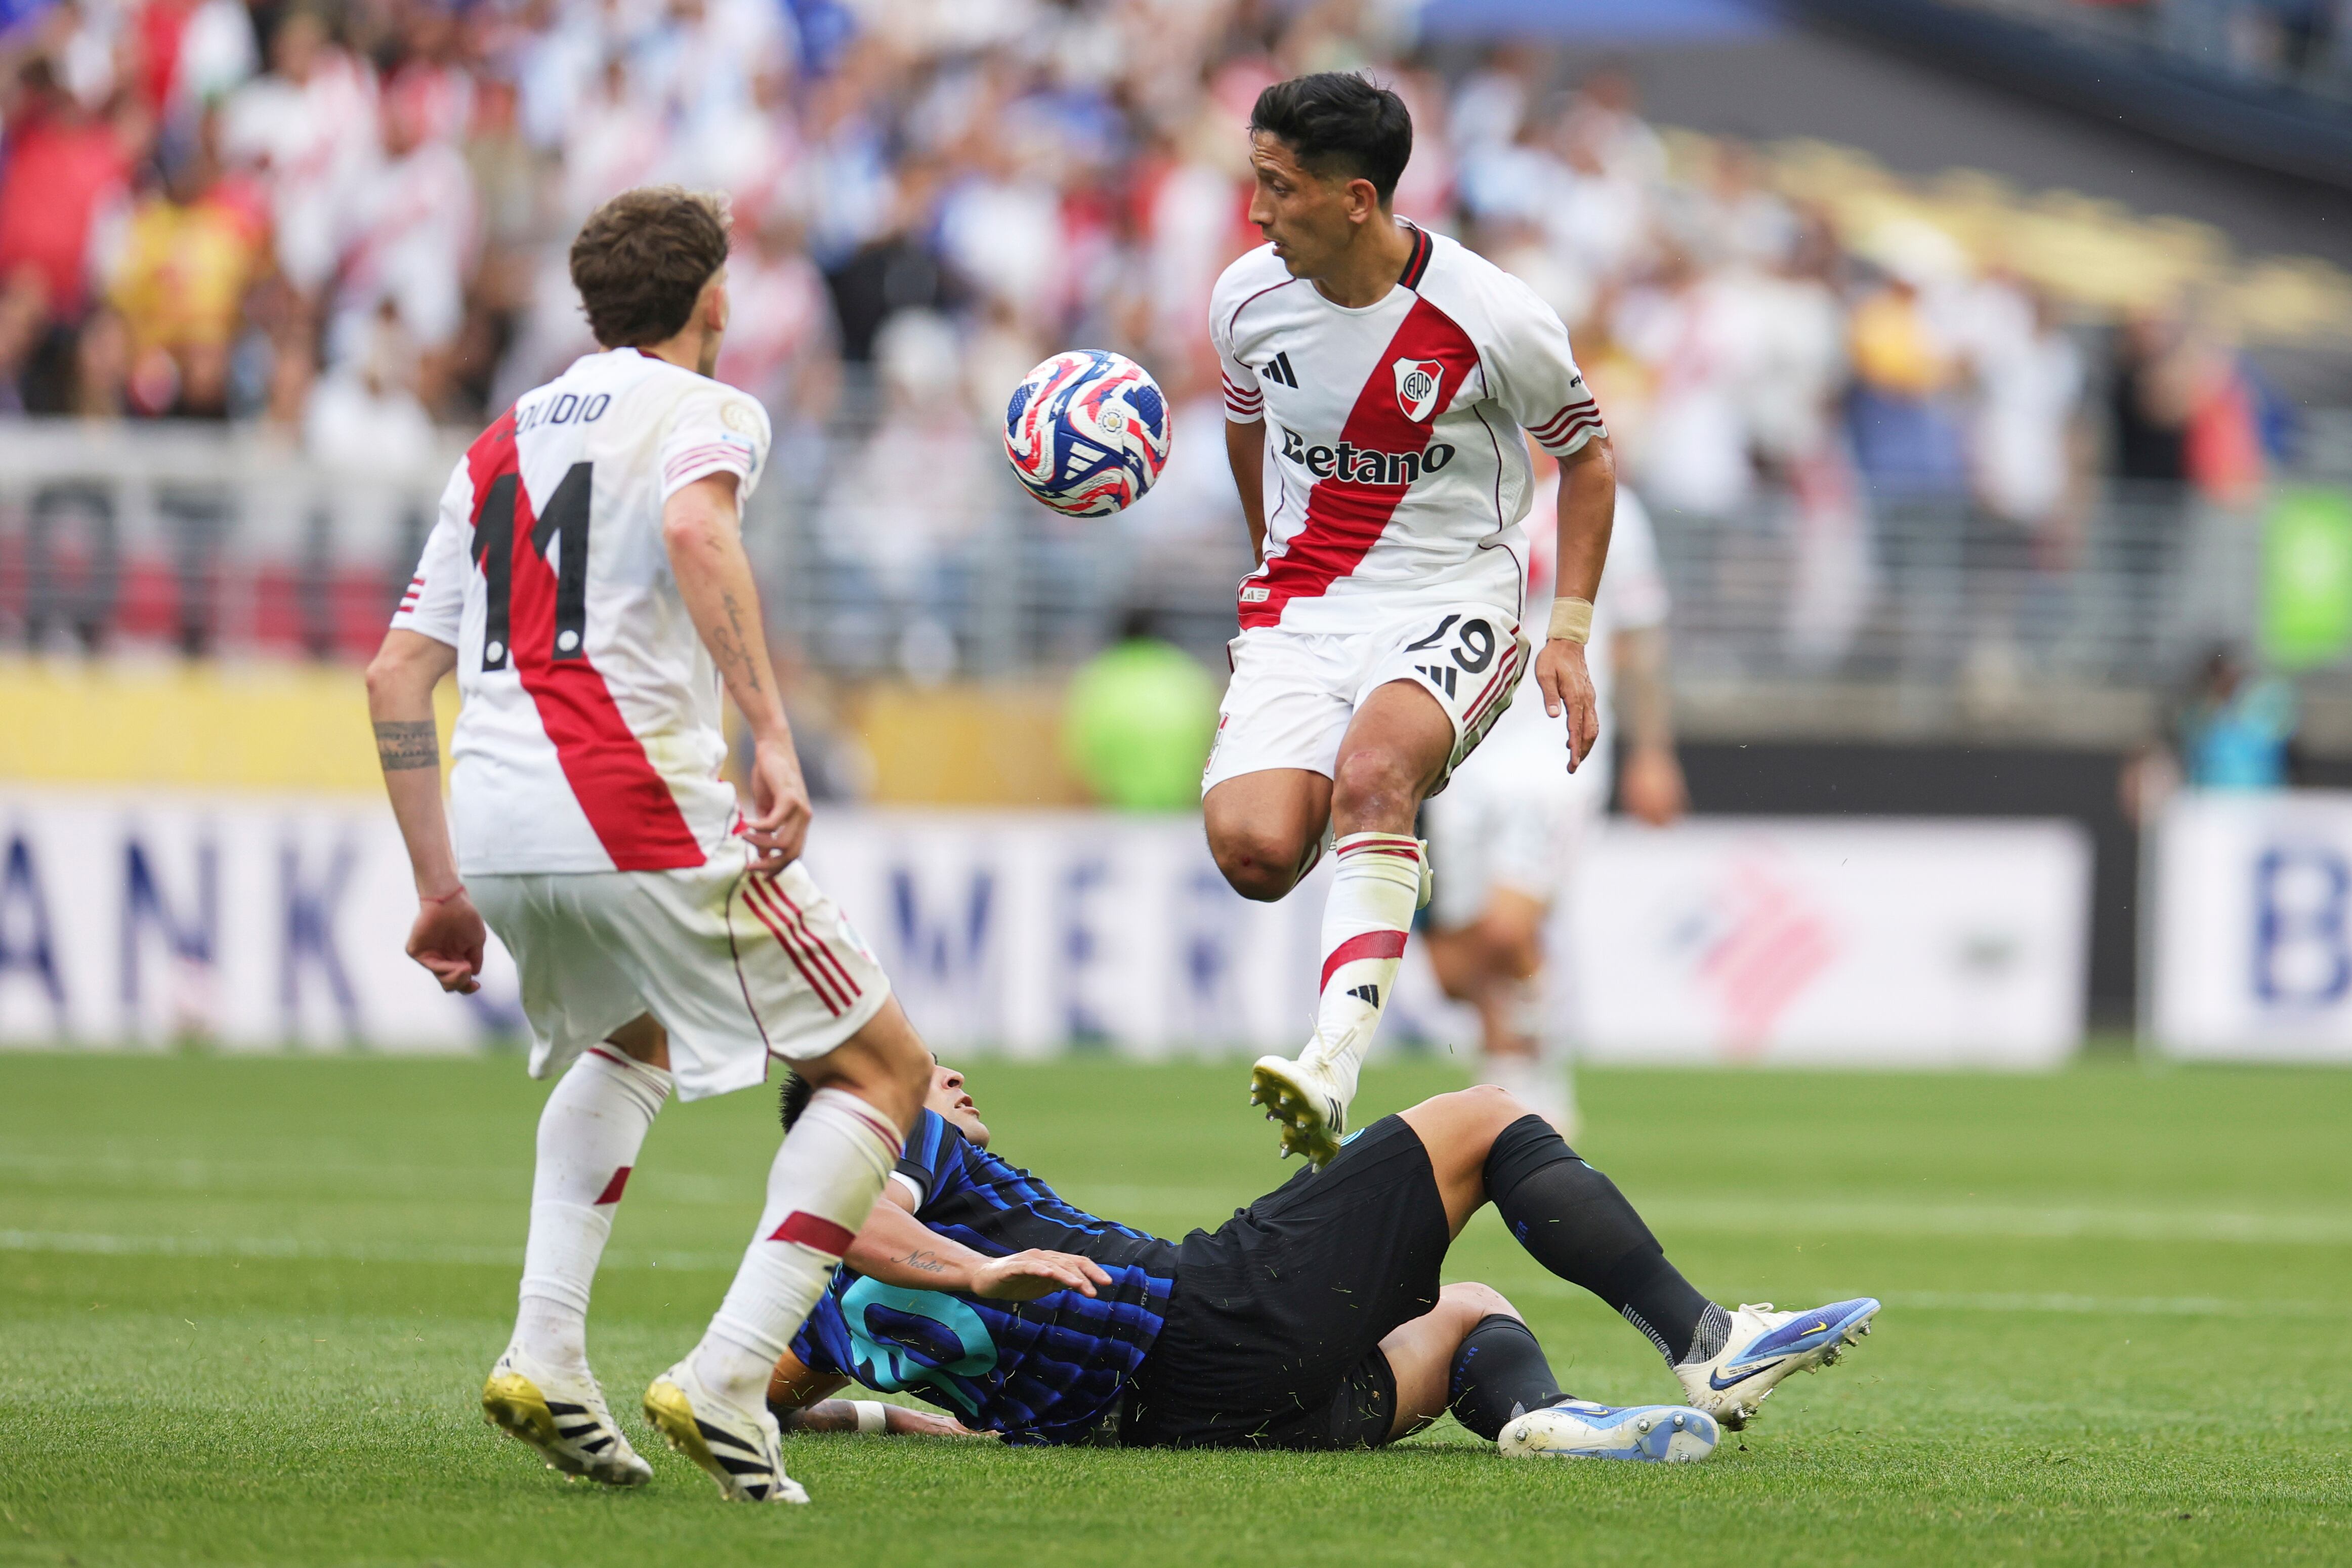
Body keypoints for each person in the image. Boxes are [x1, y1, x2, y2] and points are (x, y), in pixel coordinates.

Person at [364, 185, 933, 1506]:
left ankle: (546, 1349)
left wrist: (440, 886)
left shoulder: (494, 446)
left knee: (632, 1036)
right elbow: (694, 525)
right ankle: (735, 1368)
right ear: (712, 298)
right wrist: (775, 734)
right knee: (882, 1069)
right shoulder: (709, 411)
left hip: (497, 822)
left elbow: (399, 673)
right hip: (628, 802)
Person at [1201, 73, 1618, 1166]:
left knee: (1373, 775)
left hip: (1449, 596)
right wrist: (1267, 568)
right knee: (1253, 851)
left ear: (1353, 198)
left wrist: (1565, 630)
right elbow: (1245, 425)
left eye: (1276, 186)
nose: (1254, 211)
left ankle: (1330, 1059)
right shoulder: (1245, 300)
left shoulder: (1492, 317)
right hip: (1305, 603)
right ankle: (1397, 845)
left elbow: (1586, 456)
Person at [764, 1060, 1879, 1456]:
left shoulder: (823, 1309)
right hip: (1204, 1317)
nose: (945, 1075)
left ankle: (1550, 1421)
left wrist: (880, 1413)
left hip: (1175, 1422)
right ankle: (1707, 1340)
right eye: (920, 1071)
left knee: (1469, 1313)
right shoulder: (885, 1145)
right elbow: (849, 1214)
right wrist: (966, 1272)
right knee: (1480, 1119)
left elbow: (754, 1397)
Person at [1421, 476, 1684, 1137]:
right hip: (1466, 752)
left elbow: (1638, 636)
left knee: (1509, 931)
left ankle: (1544, 1089)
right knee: (1456, 969)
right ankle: (1501, 1091)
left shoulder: (1602, 498)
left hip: (1557, 758)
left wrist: (1653, 751)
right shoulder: (1462, 477)